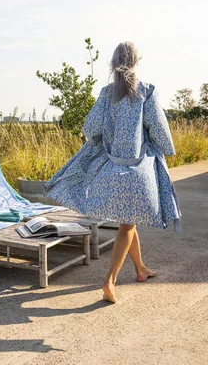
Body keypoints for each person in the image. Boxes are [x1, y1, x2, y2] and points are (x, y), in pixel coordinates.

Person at [45, 41, 181, 303]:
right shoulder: (146, 92)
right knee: (128, 223)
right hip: (136, 171)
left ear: (113, 64)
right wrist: (167, 150)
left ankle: (141, 269)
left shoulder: (107, 93)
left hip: (109, 169)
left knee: (128, 223)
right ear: (136, 63)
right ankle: (110, 280)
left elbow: (90, 128)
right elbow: (160, 130)